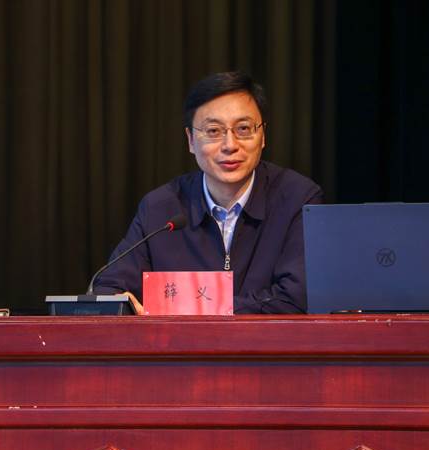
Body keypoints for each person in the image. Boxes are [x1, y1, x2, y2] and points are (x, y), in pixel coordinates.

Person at [93, 71, 323, 313]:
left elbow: (296, 298)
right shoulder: (161, 208)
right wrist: (122, 303)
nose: (230, 145)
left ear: (262, 135)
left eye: (243, 128)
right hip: (180, 340)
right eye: (213, 131)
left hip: (265, 339)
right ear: (191, 140)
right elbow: (109, 289)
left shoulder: (297, 199)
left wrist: (192, 310)